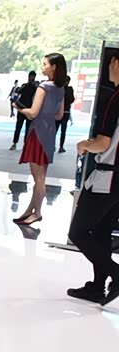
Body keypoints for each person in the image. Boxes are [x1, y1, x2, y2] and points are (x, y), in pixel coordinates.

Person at [68, 50, 119, 305]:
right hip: (116, 181)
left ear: (116, 63)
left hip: (106, 178)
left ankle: (115, 274)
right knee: (101, 230)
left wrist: (85, 145)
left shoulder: (115, 99)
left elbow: (103, 143)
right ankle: (98, 286)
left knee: (78, 232)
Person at [12, 54, 67, 226]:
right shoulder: (60, 88)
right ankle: (30, 210)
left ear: (54, 67)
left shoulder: (44, 87)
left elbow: (33, 113)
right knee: (41, 176)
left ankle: (37, 213)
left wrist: (19, 108)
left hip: (38, 133)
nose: (42, 67)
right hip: (50, 133)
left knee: (39, 179)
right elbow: (59, 115)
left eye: (45, 64)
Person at [10, 71, 38, 151]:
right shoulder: (24, 85)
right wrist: (26, 85)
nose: (31, 78)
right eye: (30, 77)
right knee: (18, 126)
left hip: (29, 109)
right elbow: (18, 91)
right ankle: (14, 143)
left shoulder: (36, 87)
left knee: (28, 128)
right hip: (22, 108)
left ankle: (26, 144)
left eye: (33, 77)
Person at [56, 76, 75, 153]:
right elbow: (72, 99)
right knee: (63, 131)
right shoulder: (69, 89)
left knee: (55, 130)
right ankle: (61, 147)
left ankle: (52, 145)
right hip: (65, 111)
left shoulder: (59, 89)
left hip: (58, 112)